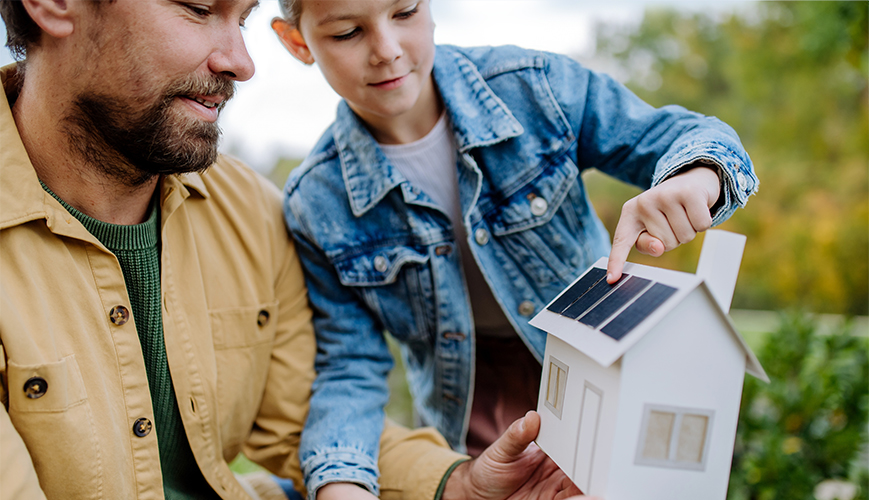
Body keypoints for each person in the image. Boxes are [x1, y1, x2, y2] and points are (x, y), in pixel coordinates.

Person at [0, 1, 589, 500]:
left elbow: (304, 418)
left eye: (244, 18)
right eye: (200, 9)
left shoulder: (255, 213)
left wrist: (456, 484)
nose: (241, 62)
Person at [271, 0, 759, 498]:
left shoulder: (533, 89)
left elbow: (687, 135)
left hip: (603, 378)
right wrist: (341, 480)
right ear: (297, 42)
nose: (388, 51)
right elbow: (349, 365)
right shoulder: (317, 201)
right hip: (468, 424)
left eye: (405, 13)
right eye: (349, 33)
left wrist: (696, 177)